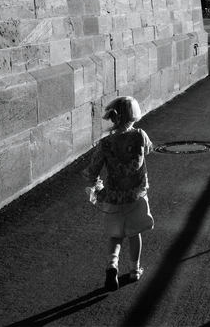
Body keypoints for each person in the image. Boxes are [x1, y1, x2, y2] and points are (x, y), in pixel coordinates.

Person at [82, 96, 154, 292]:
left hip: (113, 196)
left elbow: (92, 170)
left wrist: (97, 188)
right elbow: (149, 150)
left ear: (113, 118)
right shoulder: (140, 135)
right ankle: (134, 269)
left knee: (115, 236)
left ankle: (112, 265)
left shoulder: (105, 143)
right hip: (135, 196)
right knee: (134, 233)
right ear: (134, 115)